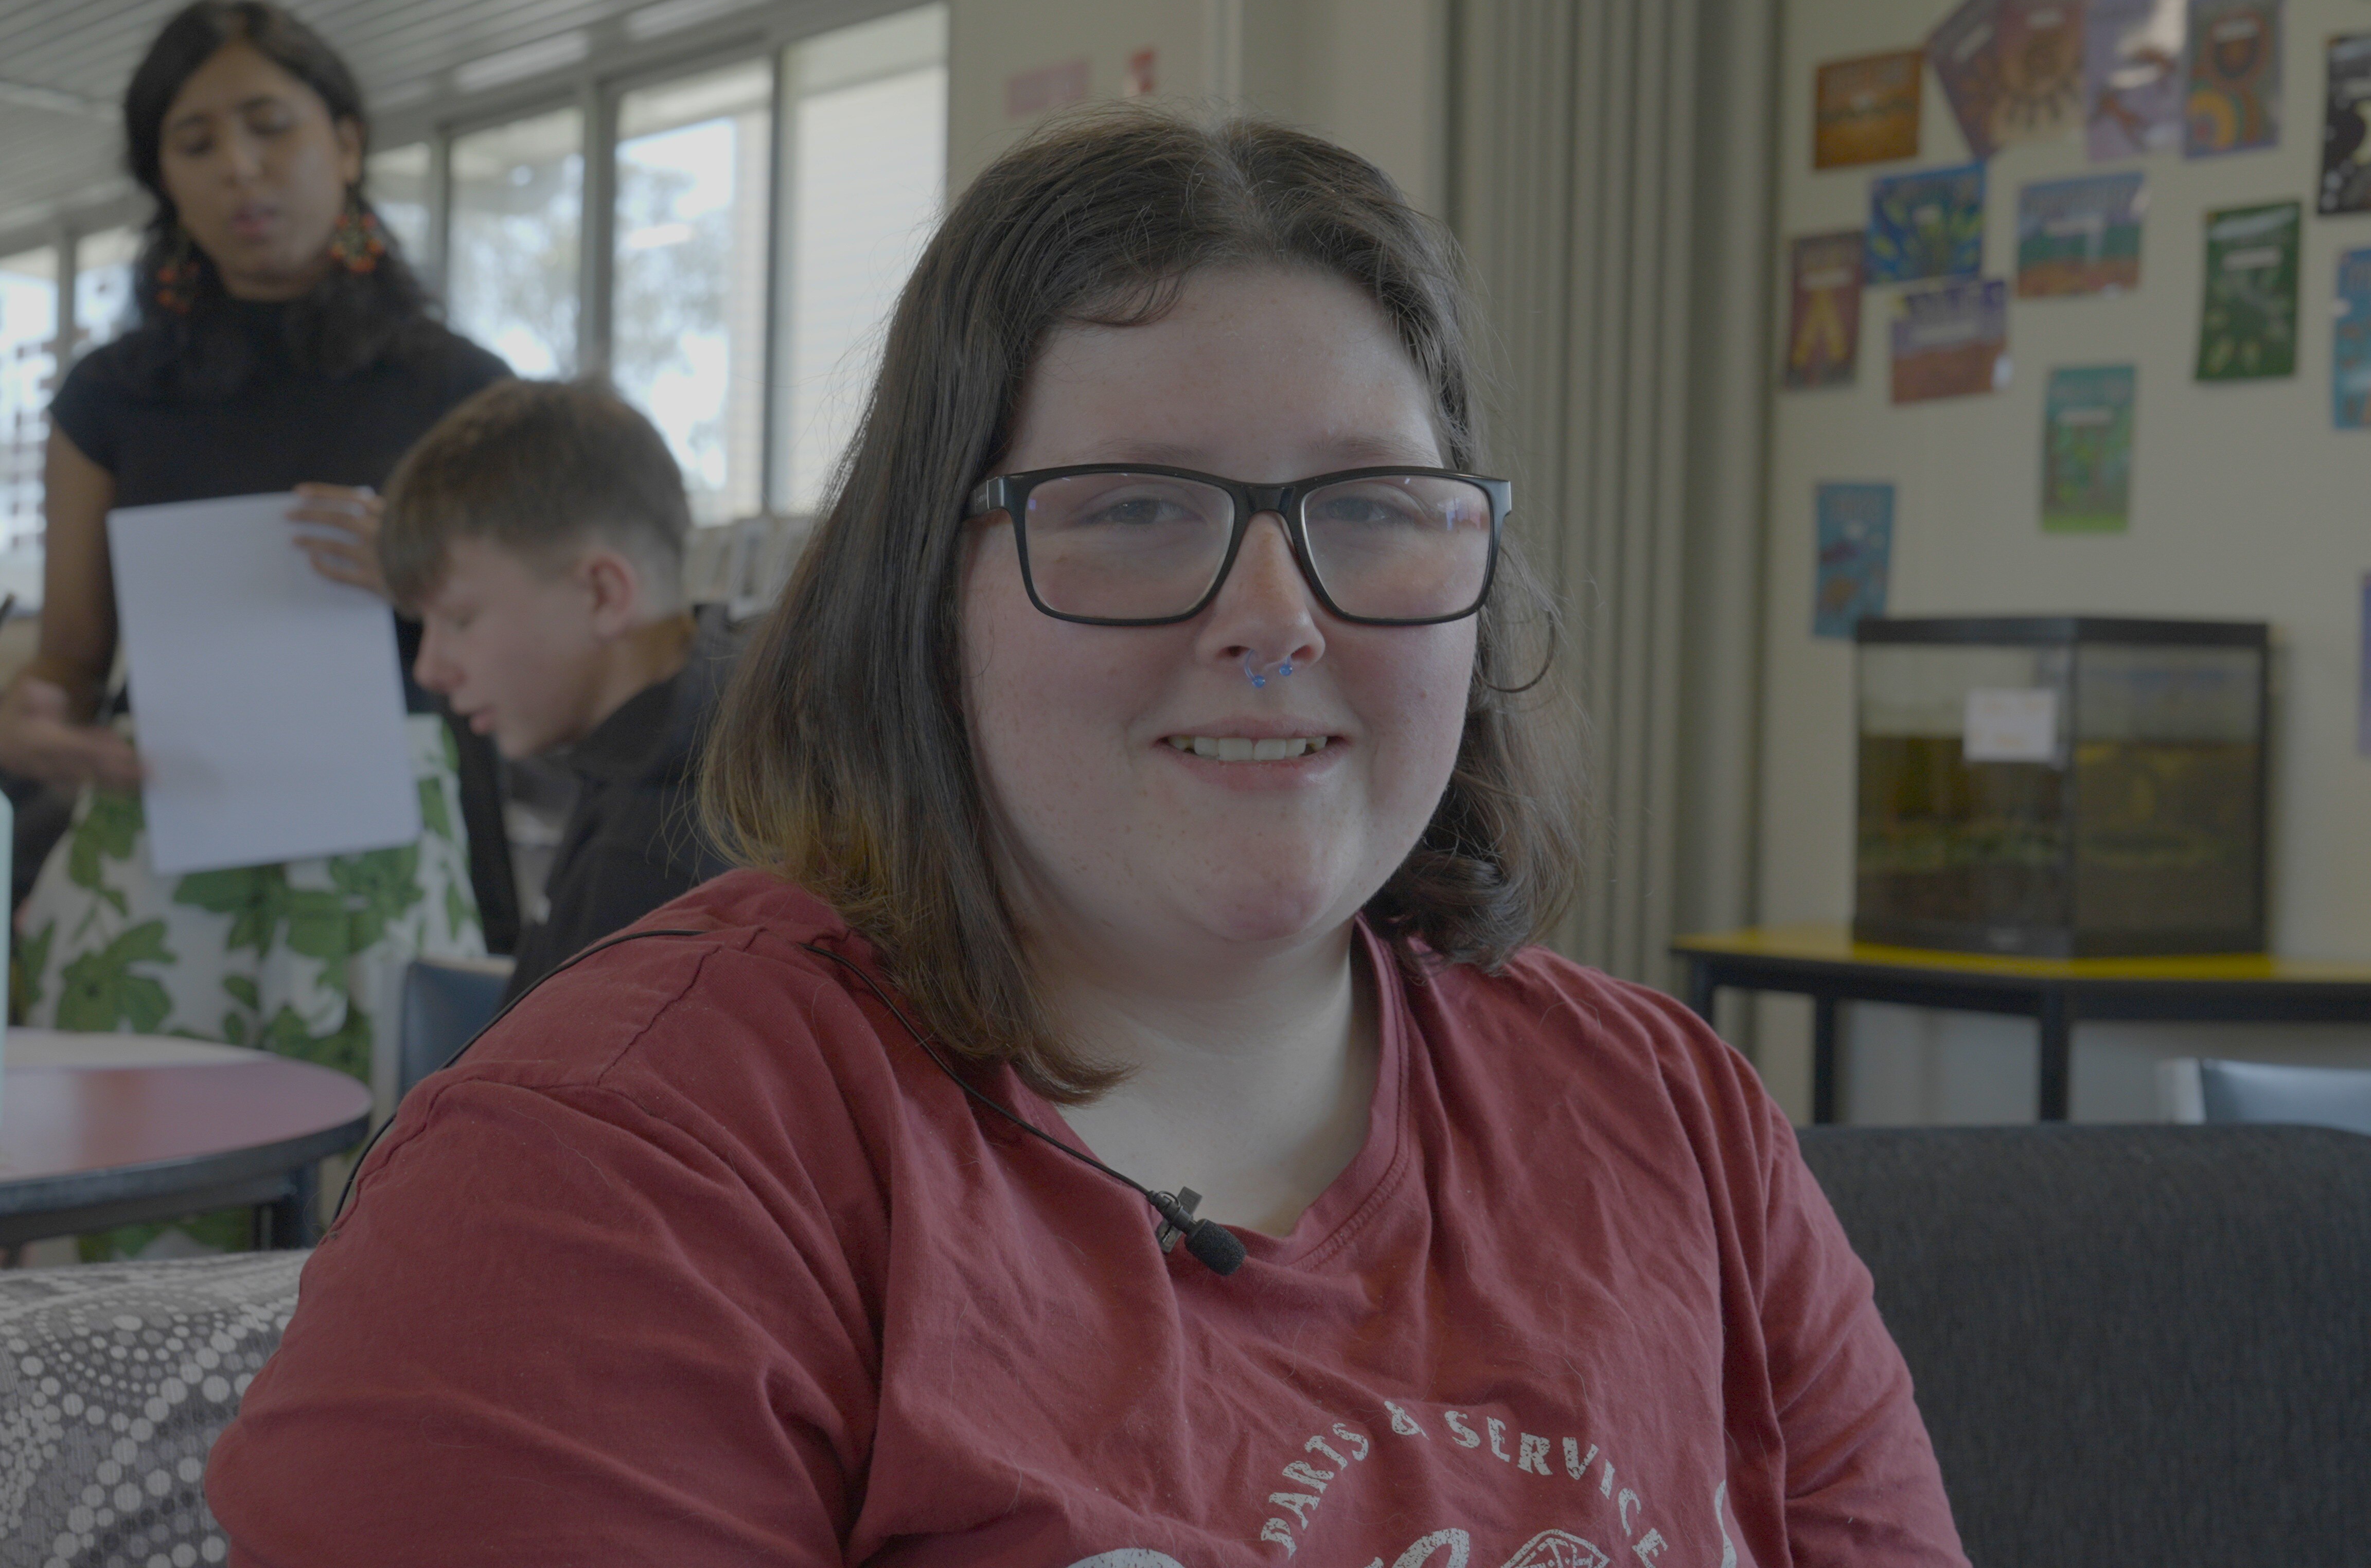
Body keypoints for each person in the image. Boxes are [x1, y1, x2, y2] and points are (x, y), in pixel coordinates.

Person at [208, 110, 1967, 1566]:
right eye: (1131, 509)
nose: (1274, 614)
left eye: (1370, 507)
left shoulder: (1674, 1119)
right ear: (923, 588)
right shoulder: (623, 1171)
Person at [0, 0, 510, 1136]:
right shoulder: (114, 395)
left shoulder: (459, 389)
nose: (239, 166)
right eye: (195, 144)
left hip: (379, 845)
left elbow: (530, 645)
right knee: (131, 1172)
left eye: (270, 125)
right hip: (161, 838)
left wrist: (419, 571)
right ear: (163, 182)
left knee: (375, 1182)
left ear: (346, 140)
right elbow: (70, 661)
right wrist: (32, 722)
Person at [378, 378, 739, 1000]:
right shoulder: (697, 743)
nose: (430, 670)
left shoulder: (653, 861)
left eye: (460, 619)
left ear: (602, 595)